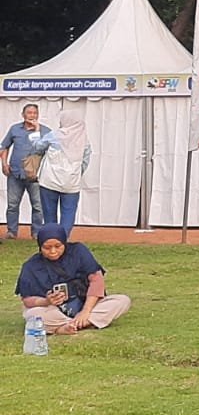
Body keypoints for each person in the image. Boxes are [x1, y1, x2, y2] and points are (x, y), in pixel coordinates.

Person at [15, 222, 130, 334]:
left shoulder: (78, 251)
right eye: (47, 248)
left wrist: (85, 311)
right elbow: (27, 300)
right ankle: (79, 323)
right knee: (33, 316)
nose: (53, 251)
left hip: (86, 304)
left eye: (58, 246)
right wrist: (47, 301)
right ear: (40, 246)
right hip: (54, 310)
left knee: (122, 301)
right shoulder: (31, 266)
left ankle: (70, 325)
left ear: (64, 242)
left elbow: (96, 279)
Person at [1, 103, 50, 240]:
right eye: (29, 113)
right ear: (23, 115)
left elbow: (51, 150)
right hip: (15, 173)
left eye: (35, 113)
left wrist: (37, 129)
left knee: (38, 206)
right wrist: (4, 164)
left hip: (35, 176)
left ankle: (36, 233)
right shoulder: (14, 129)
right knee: (12, 205)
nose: (32, 115)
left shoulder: (45, 131)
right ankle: (12, 232)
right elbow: (3, 147)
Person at [37, 114, 91, 238]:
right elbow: (85, 162)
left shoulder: (54, 135)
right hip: (71, 184)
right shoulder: (84, 141)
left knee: (49, 215)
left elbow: (38, 147)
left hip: (49, 181)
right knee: (68, 214)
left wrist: (35, 133)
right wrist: (76, 174)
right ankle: (63, 240)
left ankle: (50, 239)